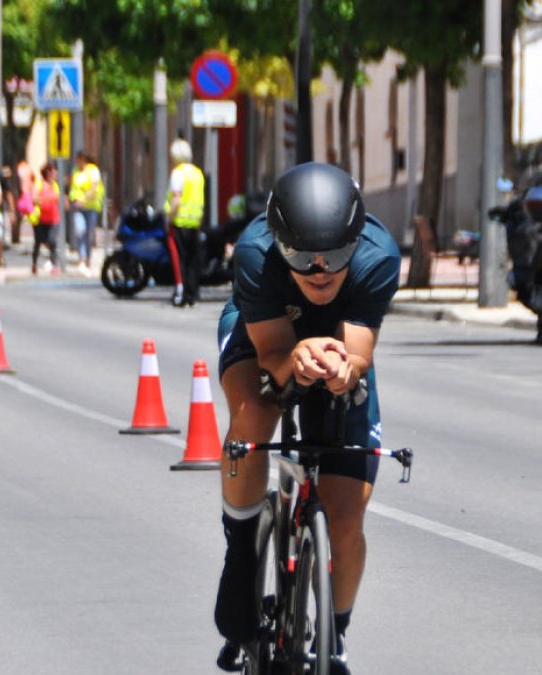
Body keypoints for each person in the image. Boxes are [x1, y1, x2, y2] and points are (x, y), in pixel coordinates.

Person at [213, 163, 400, 675]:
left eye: (336, 256)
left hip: (338, 334)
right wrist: (290, 360)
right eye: (301, 258)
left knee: (345, 515)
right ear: (279, 244)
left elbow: (358, 351)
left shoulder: (379, 257)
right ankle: (242, 555)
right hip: (267, 326)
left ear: (356, 241)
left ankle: (334, 640)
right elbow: (272, 351)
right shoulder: (255, 255)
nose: (320, 271)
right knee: (256, 408)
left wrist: (344, 369)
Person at [165, 138, 205, 306]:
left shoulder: (178, 173)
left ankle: (181, 294)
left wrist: (169, 219)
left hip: (180, 222)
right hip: (195, 222)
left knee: (179, 259)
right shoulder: (197, 173)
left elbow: (176, 200)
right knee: (192, 260)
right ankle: (192, 293)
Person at [69, 151, 105, 275]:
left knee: (89, 234)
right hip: (78, 207)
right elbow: (73, 188)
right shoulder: (75, 171)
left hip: (91, 207)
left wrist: (84, 200)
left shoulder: (93, 170)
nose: (77, 163)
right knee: (80, 231)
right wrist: (73, 200)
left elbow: (94, 188)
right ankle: (81, 259)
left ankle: (88, 258)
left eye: (79, 160)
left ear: (84, 160)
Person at [30, 163, 61, 276]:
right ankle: (34, 263)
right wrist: (45, 201)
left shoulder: (56, 185)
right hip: (41, 218)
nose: (56, 173)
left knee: (53, 241)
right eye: (54, 171)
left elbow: (58, 200)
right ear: (48, 172)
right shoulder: (39, 184)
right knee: (39, 242)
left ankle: (54, 265)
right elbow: (34, 198)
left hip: (54, 218)